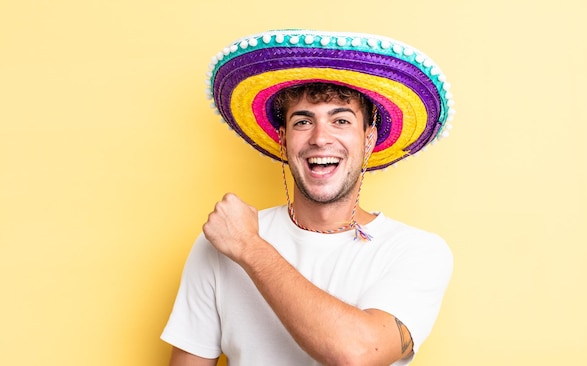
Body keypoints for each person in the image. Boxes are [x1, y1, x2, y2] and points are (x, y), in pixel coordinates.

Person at [161, 29, 455, 366]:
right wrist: (237, 241)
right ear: (283, 140)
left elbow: (358, 353)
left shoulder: (415, 251)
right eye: (303, 121)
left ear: (369, 140)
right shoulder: (220, 241)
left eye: (341, 120)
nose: (320, 138)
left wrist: (249, 247)